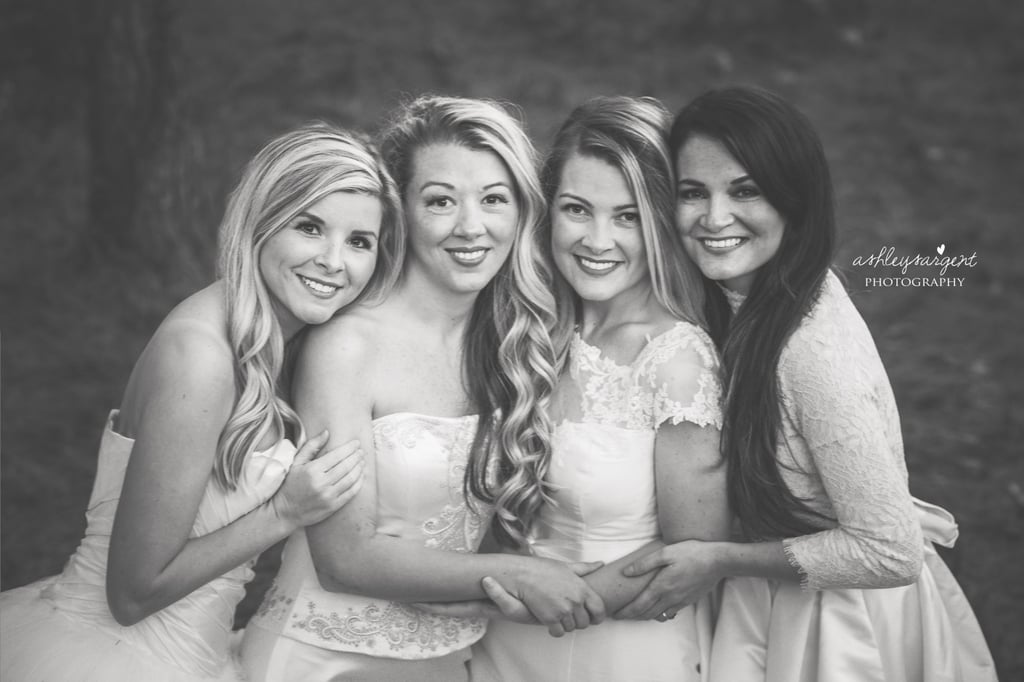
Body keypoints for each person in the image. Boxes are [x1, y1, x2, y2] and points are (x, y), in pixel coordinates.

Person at [615, 86, 998, 681]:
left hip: (839, 625)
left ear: (794, 200)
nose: (715, 219)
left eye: (745, 190)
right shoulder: (753, 297)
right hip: (768, 594)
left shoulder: (809, 349)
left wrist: (719, 559)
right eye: (694, 193)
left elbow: (888, 549)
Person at [0, 123, 405, 682]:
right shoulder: (203, 358)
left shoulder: (277, 339)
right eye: (310, 227)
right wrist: (283, 511)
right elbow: (133, 593)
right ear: (262, 222)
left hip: (199, 654)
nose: (335, 261)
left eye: (359, 242)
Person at [239, 95, 607, 682]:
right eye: (440, 201)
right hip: (326, 661)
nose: (470, 227)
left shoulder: (512, 346)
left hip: (450, 660)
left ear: (520, 213)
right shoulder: (347, 346)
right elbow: (344, 558)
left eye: (493, 200)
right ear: (401, 212)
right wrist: (521, 576)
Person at [442, 95, 729, 682]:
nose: (598, 240)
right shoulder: (528, 329)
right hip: (500, 648)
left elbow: (690, 556)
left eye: (627, 217)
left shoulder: (676, 361)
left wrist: (516, 602)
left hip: (617, 654)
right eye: (578, 209)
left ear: (659, 224)